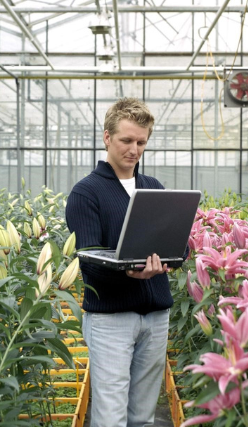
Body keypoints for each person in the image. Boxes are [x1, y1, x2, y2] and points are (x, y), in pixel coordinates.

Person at [65, 98, 175, 427]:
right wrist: (130, 272)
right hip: (111, 320)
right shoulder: (86, 193)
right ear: (107, 137)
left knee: (142, 417)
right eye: (127, 140)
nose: (134, 149)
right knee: (110, 418)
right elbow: (89, 259)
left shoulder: (153, 188)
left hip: (155, 317)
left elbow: (175, 247)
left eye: (141, 142)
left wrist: (167, 258)